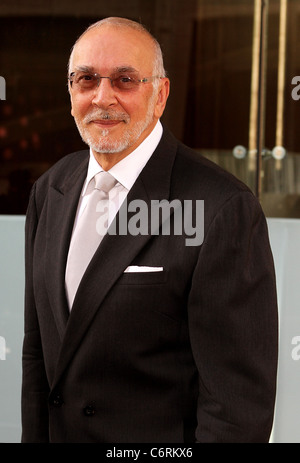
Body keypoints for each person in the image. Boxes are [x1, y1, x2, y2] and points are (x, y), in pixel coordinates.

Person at [21, 17, 278, 443]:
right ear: (70, 92)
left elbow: (237, 409)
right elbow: (38, 357)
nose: (103, 97)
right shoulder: (50, 190)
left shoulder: (221, 207)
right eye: (86, 79)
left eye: (125, 80)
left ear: (160, 94)